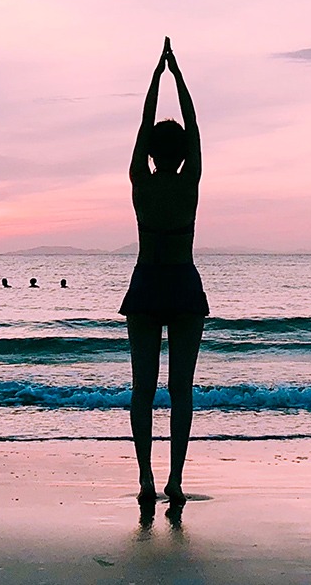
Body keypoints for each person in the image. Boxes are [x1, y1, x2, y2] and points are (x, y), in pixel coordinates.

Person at [121, 36, 207, 507]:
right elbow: (194, 128)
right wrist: (178, 77)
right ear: (179, 155)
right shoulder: (189, 182)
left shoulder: (140, 183)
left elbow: (141, 129)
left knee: (143, 390)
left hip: (148, 282)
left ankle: (146, 479)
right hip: (183, 283)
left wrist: (156, 79)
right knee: (180, 391)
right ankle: (174, 478)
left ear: (152, 153)